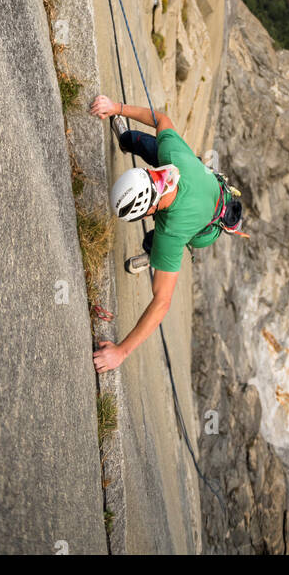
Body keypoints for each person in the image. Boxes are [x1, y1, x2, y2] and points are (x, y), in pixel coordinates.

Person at [88, 95, 223, 372]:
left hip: (205, 226)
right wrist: (116, 108)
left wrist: (121, 353)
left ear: (147, 212)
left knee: (156, 244)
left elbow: (162, 302)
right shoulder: (170, 155)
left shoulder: (170, 233)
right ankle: (126, 140)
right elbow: (162, 119)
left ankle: (152, 255)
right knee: (137, 141)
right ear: (150, 172)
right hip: (196, 181)